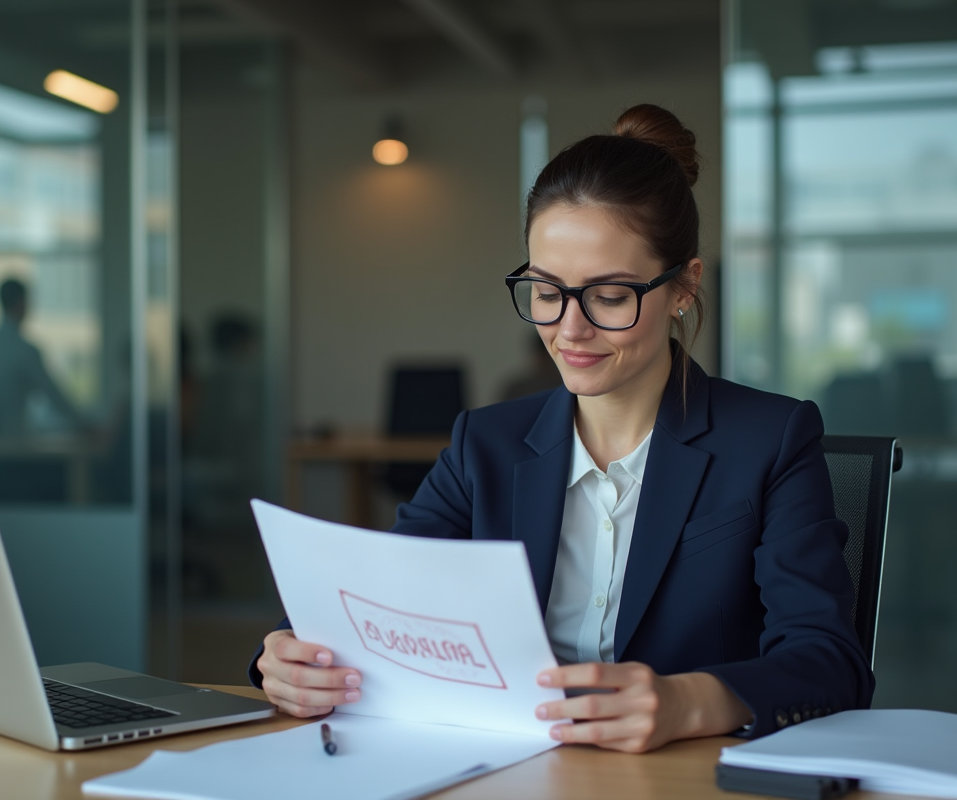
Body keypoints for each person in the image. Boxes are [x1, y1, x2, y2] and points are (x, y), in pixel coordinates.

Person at [250, 104, 873, 753]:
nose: (569, 328)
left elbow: (832, 663)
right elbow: (378, 598)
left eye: (608, 296)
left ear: (684, 287)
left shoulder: (769, 440)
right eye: (547, 290)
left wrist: (687, 700)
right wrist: (289, 655)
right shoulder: (482, 445)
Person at [0, 278, 82, 435]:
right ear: (22, 303)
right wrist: (84, 424)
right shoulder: (25, 350)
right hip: (12, 448)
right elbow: (54, 397)